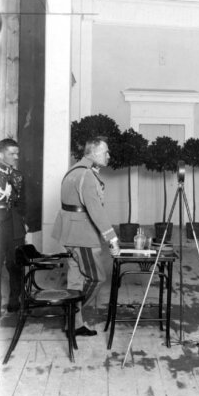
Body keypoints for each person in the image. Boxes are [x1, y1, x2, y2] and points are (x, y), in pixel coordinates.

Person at [52, 137, 120, 336]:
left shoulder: (73, 171)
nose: (108, 155)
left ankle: (74, 324)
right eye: (105, 152)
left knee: (76, 280)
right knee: (97, 277)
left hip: (69, 234)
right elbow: (95, 210)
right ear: (93, 153)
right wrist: (112, 239)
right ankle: (71, 311)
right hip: (82, 236)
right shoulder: (87, 175)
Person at [0, 139, 26, 312]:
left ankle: (14, 300)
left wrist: (24, 222)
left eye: (17, 154)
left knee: (16, 263)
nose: (16, 157)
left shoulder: (18, 175)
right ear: (1, 154)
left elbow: (23, 202)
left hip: (15, 224)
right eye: (11, 154)